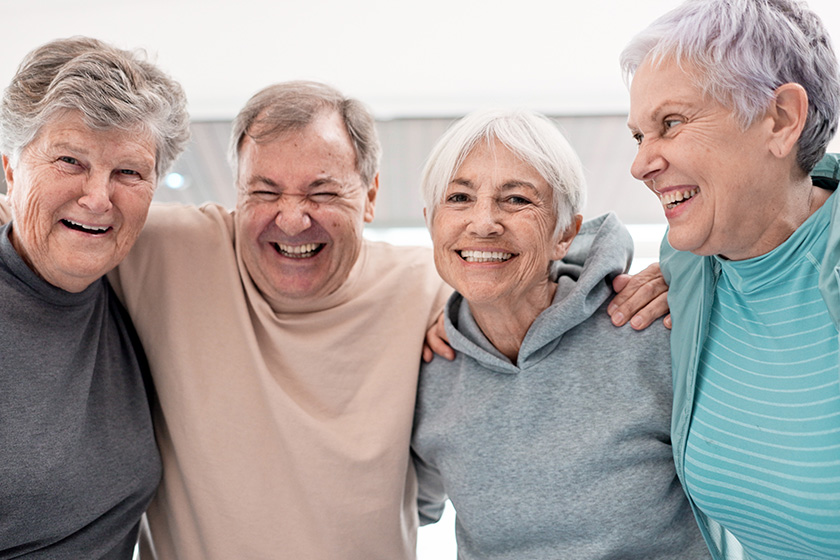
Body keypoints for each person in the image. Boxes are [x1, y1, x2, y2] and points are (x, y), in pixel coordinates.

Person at [107, 81, 452, 559]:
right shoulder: (167, 250)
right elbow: (28, 220)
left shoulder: (430, 286)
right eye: (265, 191)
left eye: (323, 191)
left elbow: (546, 271)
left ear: (370, 196)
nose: (292, 219)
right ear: (238, 195)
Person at [411, 108, 709, 559]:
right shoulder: (426, 368)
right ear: (432, 221)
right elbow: (403, 504)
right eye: (458, 198)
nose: (484, 222)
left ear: (564, 233)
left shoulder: (650, 328)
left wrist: (697, 280)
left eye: (516, 199)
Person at [622, 0, 840, 558]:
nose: (641, 164)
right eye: (638, 135)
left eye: (671, 123)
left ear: (782, 119)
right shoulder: (690, 263)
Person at [0, 37, 189, 558]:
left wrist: (432, 313)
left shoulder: (137, 289)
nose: (99, 198)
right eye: (69, 160)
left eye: (128, 172)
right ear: (11, 170)